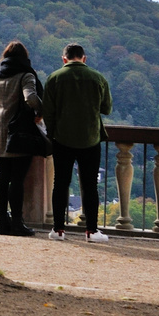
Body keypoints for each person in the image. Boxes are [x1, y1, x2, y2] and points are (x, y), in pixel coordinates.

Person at [43, 43, 113, 242]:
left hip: (62, 139)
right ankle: (91, 231)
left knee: (61, 184)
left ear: (64, 59)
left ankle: (57, 230)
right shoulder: (97, 78)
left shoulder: (55, 78)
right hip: (90, 139)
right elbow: (106, 108)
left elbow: (47, 111)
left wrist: (53, 132)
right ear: (84, 58)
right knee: (90, 185)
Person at [0, 40, 42, 237]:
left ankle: (3, 223)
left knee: (3, 177)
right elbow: (30, 98)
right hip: (19, 131)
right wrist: (42, 110)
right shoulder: (26, 75)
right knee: (17, 179)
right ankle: (17, 223)